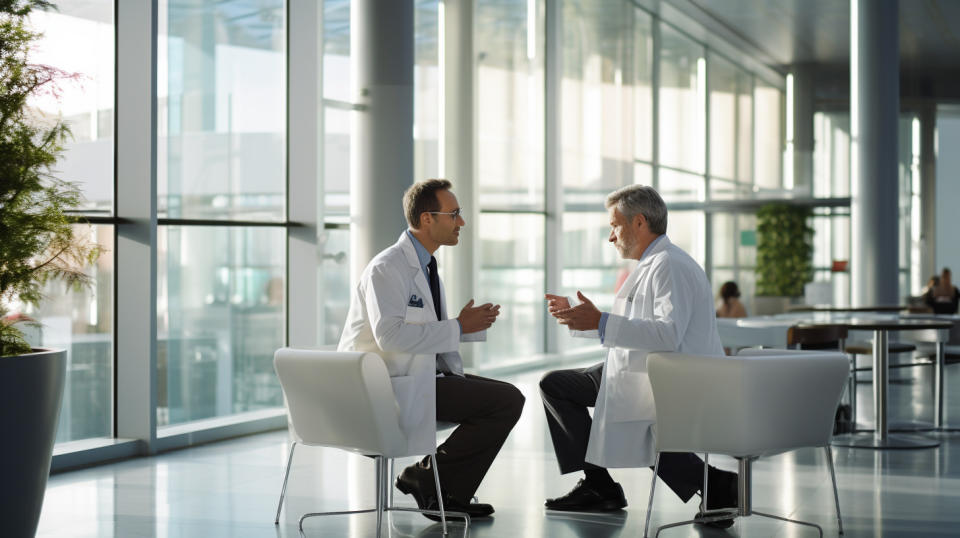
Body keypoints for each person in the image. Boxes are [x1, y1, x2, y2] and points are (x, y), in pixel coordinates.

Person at [539, 184, 738, 528]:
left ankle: (714, 483)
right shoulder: (656, 262)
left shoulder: (669, 266)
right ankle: (602, 485)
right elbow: (638, 326)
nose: (610, 237)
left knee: (635, 420)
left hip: (675, 376)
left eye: (614, 226)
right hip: (649, 369)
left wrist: (601, 321)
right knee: (558, 386)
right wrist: (588, 321)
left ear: (640, 223)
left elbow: (667, 334)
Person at [338, 179, 525, 520]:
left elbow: (418, 330)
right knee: (506, 401)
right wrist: (457, 327)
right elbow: (391, 337)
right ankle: (432, 481)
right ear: (427, 219)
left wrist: (466, 328)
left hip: (416, 377)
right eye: (454, 214)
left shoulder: (425, 267)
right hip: (385, 388)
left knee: (507, 397)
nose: (462, 223)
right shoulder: (387, 268)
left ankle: (437, 484)